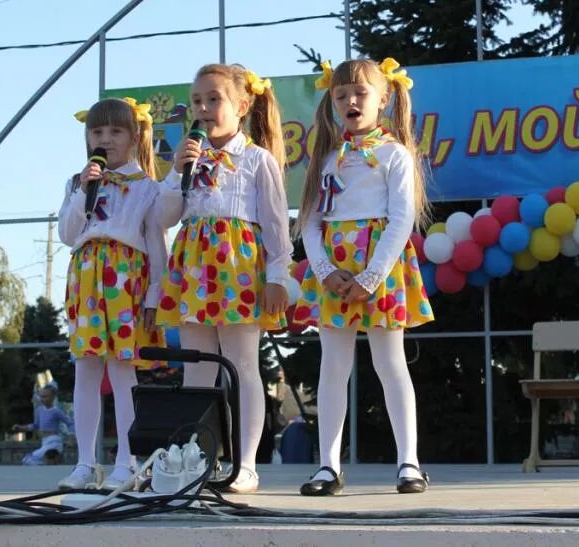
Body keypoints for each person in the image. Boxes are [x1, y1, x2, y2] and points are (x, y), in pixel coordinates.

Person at [293, 58, 434, 496]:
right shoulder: (328, 158)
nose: (350, 102)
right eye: (341, 95)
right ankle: (327, 467)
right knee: (333, 366)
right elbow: (310, 223)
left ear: (384, 98)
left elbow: (400, 219)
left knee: (390, 364)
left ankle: (409, 463)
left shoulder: (395, 154)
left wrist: (371, 276)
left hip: (381, 268)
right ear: (331, 102)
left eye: (360, 93)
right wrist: (325, 271)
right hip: (334, 270)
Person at [156, 64, 292, 494]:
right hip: (194, 266)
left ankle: (246, 462)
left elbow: (275, 225)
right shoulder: (188, 158)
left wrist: (278, 277)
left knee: (243, 365)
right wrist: (176, 173)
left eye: (214, 99)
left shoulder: (256, 159)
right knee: (196, 369)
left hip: (237, 266)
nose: (204, 108)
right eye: (197, 101)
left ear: (241, 105)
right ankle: (198, 458)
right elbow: (163, 218)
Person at [55, 97, 168, 491]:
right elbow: (68, 234)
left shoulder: (148, 188)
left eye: (116, 131)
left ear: (135, 137)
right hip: (86, 274)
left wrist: (155, 295)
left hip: (126, 278)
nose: (106, 139)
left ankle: (127, 460)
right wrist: (82, 191)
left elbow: (156, 244)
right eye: (97, 132)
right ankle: (85, 463)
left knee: (123, 371)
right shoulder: (78, 182)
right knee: (86, 369)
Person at [13, 383, 74, 467]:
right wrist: (21, 427)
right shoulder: (39, 410)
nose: (42, 399)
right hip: (44, 441)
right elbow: (35, 425)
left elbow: (70, 423)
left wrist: (71, 438)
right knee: (35, 461)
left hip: (54, 442)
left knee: (28, 460)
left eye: (45, 396)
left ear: (53, 397)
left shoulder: (56, 411)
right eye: (41, 396)